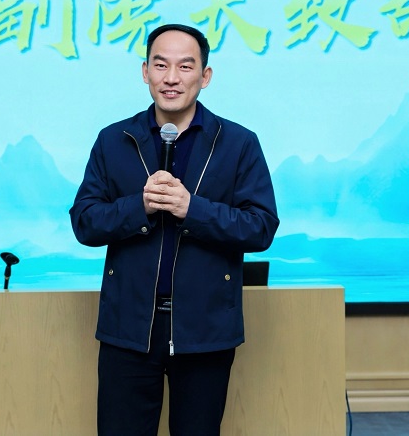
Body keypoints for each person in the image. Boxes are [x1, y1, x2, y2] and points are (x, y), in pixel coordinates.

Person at [70, 23, 279, 436]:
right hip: (128, 328)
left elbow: (260, 227)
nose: (171, 78)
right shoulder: (114, 140)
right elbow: (85, 222)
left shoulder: (238, 143)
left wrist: (191, 209)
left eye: (185, 66)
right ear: (145, 71)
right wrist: (139, 206)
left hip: (205, 328)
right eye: (160, 65)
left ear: (205, 76)